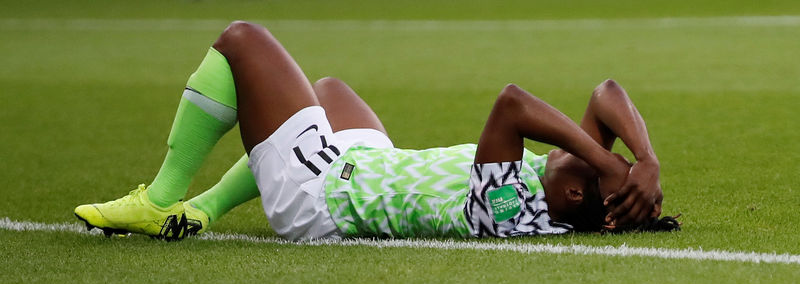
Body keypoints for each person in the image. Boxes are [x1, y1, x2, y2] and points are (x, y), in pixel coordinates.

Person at [75, 21, 672, 242]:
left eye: (587, 167)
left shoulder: (509, 208)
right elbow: (606, 93)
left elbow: (512, 103)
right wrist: (642, 159)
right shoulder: (553, 190)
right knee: (330, 90)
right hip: (371, 167)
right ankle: (205, 210)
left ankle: (157, 202)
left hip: (321, 201)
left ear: (573, 195)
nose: (578, 151)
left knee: (242, 41)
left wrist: (608, 160)